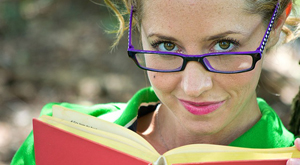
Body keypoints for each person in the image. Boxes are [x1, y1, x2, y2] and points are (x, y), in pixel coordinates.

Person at [11, 0, 300, 164]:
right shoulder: (53, 144)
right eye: (166, 46)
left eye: (224, 45)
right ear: (135, 21)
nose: (193, 87)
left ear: (275, 23)